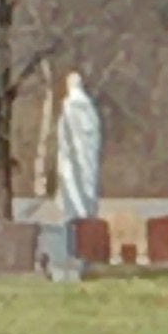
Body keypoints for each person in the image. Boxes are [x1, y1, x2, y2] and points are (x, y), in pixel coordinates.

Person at [53, 72, 102, 227]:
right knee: (82, 183)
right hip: (83, 155)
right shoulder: (88, 107)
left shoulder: (70, 105)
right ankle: (81, 213)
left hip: (76, 155)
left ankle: (79, 214)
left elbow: (66, 133)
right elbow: (94, 132)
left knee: (74, 180)